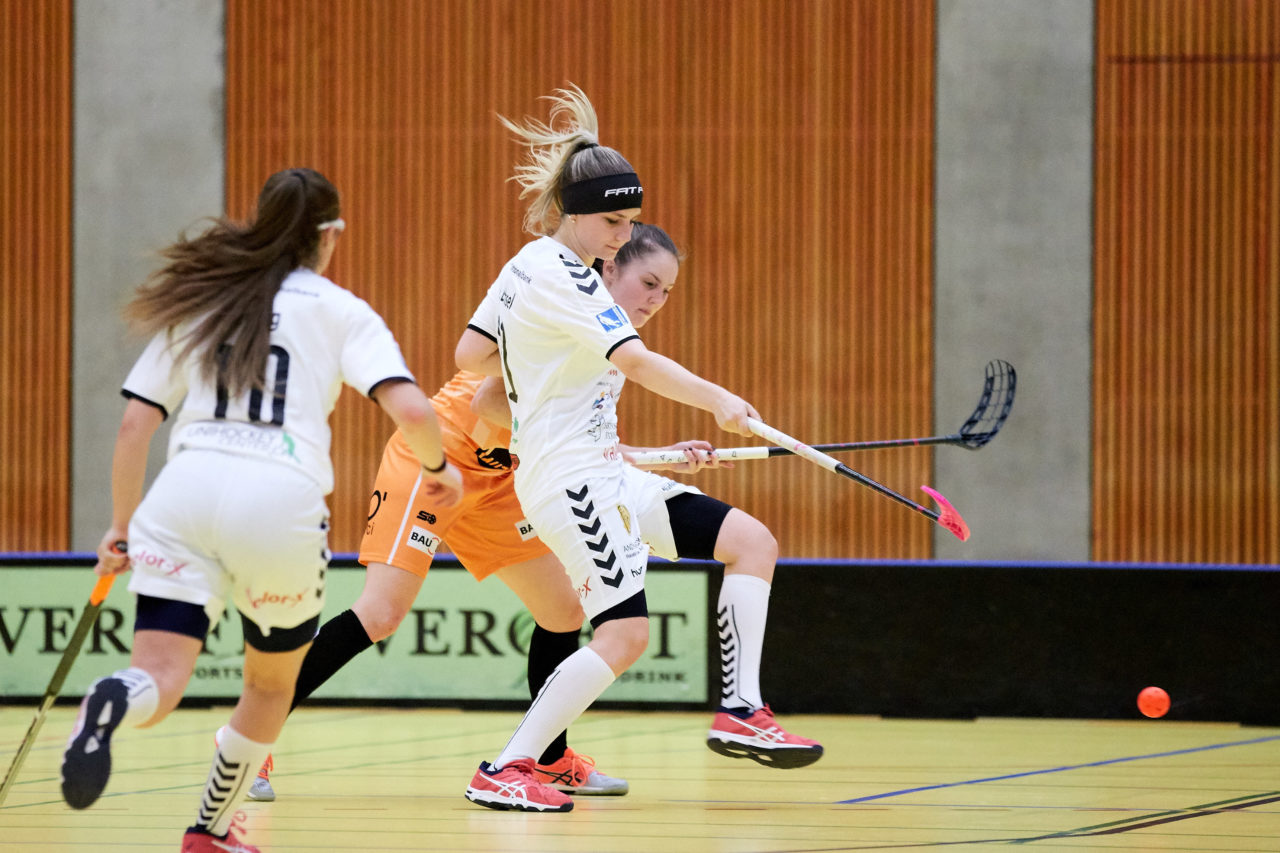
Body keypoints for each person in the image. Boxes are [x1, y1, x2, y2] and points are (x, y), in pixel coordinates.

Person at [239, 223, 722, 805]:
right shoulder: (571, 314)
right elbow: (486, 404)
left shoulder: (607, 348)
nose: (653, 301)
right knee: (381, 612)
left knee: (564, 608)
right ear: (608, 271)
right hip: (435, 462)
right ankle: (252, 740)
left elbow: (579, 447)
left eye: (665, 292)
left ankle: (546, 759)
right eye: (647, 283)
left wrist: (660, 455)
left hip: (501, 482)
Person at [58, 168, 463, 853]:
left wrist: (122, 526)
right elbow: (414, 410)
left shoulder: (207, 300)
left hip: (183, 490)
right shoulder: (340, 309)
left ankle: (112, 699)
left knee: (159, 675)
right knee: (270, 684)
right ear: (330, 235)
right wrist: (438, 466)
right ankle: (210, 829)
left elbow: (135, 425)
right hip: (279, 499)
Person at [456, 87, 822, 813]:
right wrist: (720, 398)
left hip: (604, 471)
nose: (622, 237)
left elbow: (471, 360)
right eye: (613, 223)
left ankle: (742, 708)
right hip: (571, 483)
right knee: (624, 634)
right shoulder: (567, 277)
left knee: (752, 541)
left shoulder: (523, 268)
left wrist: (539, 377)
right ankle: (506, 765)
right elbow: (638, 364)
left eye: (628, 222)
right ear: (574, 211)